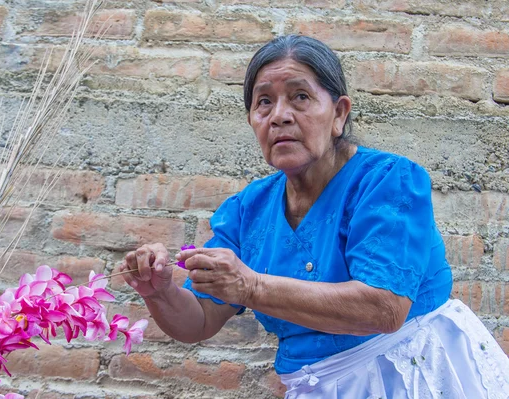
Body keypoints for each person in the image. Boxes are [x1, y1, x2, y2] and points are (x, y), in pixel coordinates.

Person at [118, 35, 509, 398]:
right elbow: (200, 320)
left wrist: (251, 287)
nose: (279, 116)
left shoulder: (388, 181)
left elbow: (385, 308)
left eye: (300, 97)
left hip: (414, 374)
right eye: (264, 102)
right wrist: (159, 291)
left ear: (339, 114)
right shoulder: (246, 211)